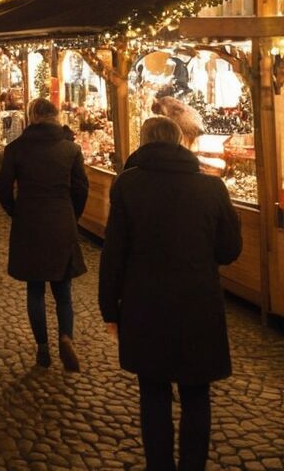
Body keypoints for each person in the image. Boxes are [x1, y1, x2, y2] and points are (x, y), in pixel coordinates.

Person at [99, 116, 242, 471]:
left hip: (145, 304)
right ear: (181, 142)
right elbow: (228, 250)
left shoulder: (128, 186)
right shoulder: (212, 188)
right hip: (199, 303)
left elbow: (114, 251)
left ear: (143, 142)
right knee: (197, 393)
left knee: (154, 392)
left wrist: (109, 308)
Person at [0, 97, 89, 371]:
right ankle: (66, 336)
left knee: (35, 289)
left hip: (30, 223)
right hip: (61, 221)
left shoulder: (16, 149)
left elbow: (2, 188)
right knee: (63, 290)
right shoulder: (70, 149)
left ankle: (43, 348)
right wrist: (72, 215)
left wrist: (16, 211)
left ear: (33, 116)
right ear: (56, 116)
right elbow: (81, 189)